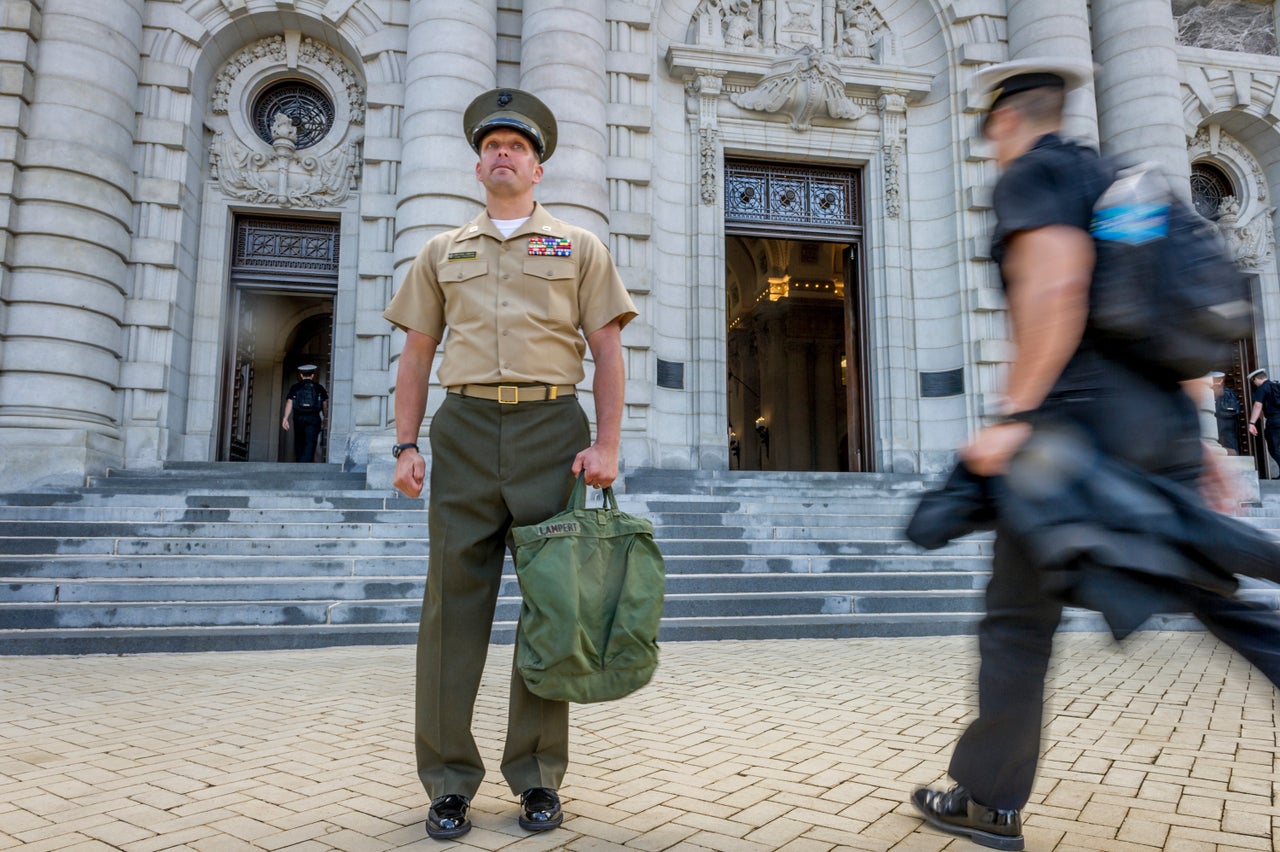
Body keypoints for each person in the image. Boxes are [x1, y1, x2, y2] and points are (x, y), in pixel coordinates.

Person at [910, 59, 1280, 851]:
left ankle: (986, 799)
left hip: (1071, 442)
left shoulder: (1033, 176)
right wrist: (1204, 445)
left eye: (990, 132)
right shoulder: (1117, 178)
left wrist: (1014, 414)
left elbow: (1056, 289)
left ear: (1007, 121)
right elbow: (1161, 312)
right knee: (1217, 595)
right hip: (1158, 431)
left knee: (1015, 621)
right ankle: (984, 790)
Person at [383, 88, 637, 841]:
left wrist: (609, 445)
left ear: (539, 169)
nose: (503, 153)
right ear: (475, 164)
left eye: (517, 147)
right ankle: (449, 782)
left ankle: (535, 778)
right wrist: (405, 445)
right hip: (462, 430)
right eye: (493, 144)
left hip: (553, 430)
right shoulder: (440, 251)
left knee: (552, 609)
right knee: (450, 612)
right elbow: (417, 355)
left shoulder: (580, 246)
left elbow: (609, 351)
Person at [281, 364, 327, 463]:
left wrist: (285, 418)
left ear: (301, 375)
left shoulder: (295, 387)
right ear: (313, 375)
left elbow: (290, 402)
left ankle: (300, 462)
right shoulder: (319, 388)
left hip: (298, 418)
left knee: (299, 441)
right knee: (310, 442)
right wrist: (325, 417)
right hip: (314, 418)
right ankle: (305, 464)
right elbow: (324, 403)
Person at [1246, 367, 1280, 474]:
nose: (1254, 384)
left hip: (1274, 422)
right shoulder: (1277, 386)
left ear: (1256, 379)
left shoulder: (1262, 388)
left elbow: (1257, 405)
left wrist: (1252, 423)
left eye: (1253, 381)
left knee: (1275, 449)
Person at [1211, 371, 1242, 454]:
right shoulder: (1229, 391)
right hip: (1230, 421)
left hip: (1219, 420)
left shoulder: (1214, 390)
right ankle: (1237, 461)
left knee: (1216, 443)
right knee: (1232, 442)